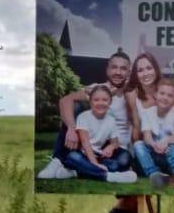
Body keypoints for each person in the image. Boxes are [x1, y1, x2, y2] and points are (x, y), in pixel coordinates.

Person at [37, 50, 133, 179]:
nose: (118, 72)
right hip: (90, 143)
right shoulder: (97, 89)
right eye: (114, 67)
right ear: (107, 69)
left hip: (114, 148)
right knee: (74, 106)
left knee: (124, 160)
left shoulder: (132, 93)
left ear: (129, 72)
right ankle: (58, 160)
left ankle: (75, 171)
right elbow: (65, 100)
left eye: (123, 69)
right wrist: (71, 128)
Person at [61, 86, 139, 183]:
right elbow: (86, 144)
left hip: (100, 156)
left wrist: (110, 147)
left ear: (110, 103)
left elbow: (115, 143)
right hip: (84, 154)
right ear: (90, 102)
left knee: (125, 156)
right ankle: (107, 176)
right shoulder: (83, 117)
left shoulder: (111, 120)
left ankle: (79, 171)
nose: (100, 103)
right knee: (72, 157)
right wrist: (95, 164)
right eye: (96, 100)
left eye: (105, 100)